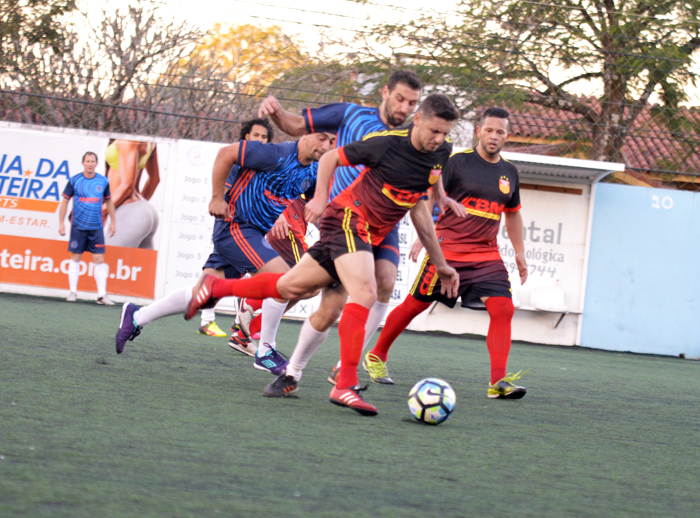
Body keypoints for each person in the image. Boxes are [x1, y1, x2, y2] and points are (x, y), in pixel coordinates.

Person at [186, 94, 462, 416]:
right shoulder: (385, 144)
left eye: (445, 134)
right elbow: (329, 159)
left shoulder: (441, 151)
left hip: (366, 231)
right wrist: (318, 199)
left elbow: (423, 195)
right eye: (434, 131)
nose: (438, 139)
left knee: (291, 287)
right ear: (417, 120)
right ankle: (344, 384)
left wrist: (440, 254)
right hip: (348, 218)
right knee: (366, 292)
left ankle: (216, 289)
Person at [256, 70, 462, 394]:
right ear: (384, 92)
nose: (404, 107)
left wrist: (442, 197)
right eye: (399, 98)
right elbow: (297, 127)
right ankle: (277, 355)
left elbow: (428, 180)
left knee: (385, 283)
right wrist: (276, 110)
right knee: (323, 302)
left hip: (386, 223)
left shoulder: (424, 137)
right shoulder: (352, 115)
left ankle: (344, 369)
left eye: (411, 102)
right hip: (348, 219)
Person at [115, 132, 334, 376]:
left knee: (203, 295)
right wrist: (217, 198)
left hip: (252, 234)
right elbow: (225, 154)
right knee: (286, 281)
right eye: (322, 138)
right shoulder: (275, 153)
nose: (326, 146)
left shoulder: (314, 170)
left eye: (332, 142)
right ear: (305, 134)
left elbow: (319, 207)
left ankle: (137, 315)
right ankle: (265, 350)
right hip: (235, 228)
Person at [364, 107, 530, 399]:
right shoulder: (456, 162)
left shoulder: (509, 173)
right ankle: (376, 355)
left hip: (486, 255)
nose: (494, 136)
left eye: (500, 132)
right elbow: (428, 196)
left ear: (507, 136)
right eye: (489, 130)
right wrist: (422, 236)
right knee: (414, 306)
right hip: (448, 250)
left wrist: (519, 252)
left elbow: (513, 215)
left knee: (504, 308)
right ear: (478, 131)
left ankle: (498, 382)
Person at [197, 118, 274, 338]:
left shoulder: (265, 166)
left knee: (217, 279)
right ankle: (244, 327)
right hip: (234, 229)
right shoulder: (237, 162)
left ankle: (215, 322)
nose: (260, 140)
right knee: (269, 276)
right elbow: (226, 195)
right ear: (246, 137)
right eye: (256, 135)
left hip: (246, 231)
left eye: (264, 137)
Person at [58, 151, 116, 304]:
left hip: (96, 227)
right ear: (83, 163)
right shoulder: (74, 180)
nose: (90, 164)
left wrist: (113, 222)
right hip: (78, 226)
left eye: (92, 161)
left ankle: (101, 296)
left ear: (96, 164)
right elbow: (64, 202)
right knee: (75, 258)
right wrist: (61, 222)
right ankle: (72, 292)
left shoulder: (103, 181)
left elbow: (109, 202)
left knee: (99, 259)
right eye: (87, 161)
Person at [104, 139, 160, 249]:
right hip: (140, 209)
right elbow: (155, 179)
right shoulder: (149, 141)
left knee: (109, 263)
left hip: (129, 210)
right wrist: (140, 209)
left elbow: (127, 186)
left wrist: (101, 210)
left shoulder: (128, 140)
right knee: (141, 266)